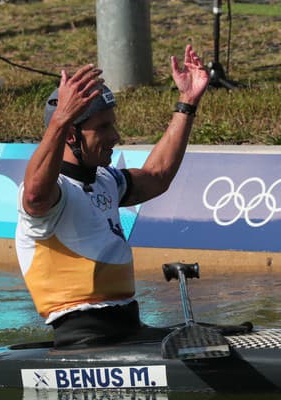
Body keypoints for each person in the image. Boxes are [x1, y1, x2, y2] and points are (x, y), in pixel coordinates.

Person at [15, 44, 209, 348]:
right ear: (70, 135)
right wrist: (59, 120)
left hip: (129, 329)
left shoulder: (104, 179)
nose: (115, 136)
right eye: (103, 128)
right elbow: (35, 196)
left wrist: (186, 103)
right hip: (83, 341)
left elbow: (157, 176)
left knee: (233, 333)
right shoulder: (54, 195)